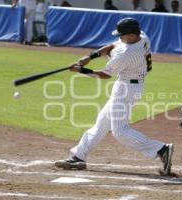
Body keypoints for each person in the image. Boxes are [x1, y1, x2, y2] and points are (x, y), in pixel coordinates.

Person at [55, 18, 174, 176]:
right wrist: (90, 57)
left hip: (127, 89)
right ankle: (79, 156)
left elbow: (105, 75)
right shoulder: (142, 36)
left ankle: (161, 149)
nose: (120, 37)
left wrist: (81, 71)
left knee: (120, 131)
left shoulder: (127, 53)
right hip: (128, 85)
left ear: (132, 35)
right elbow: (114, 45)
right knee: (102, 123)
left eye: (123, 35)